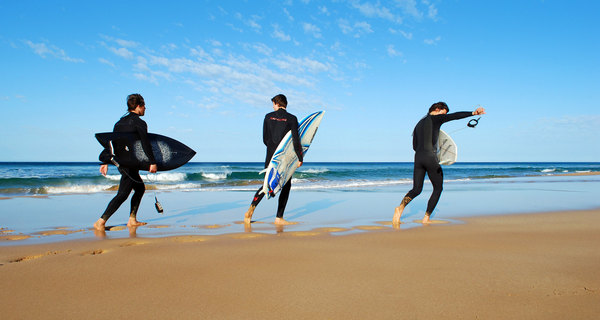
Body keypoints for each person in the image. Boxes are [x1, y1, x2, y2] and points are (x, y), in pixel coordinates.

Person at [393, 102, 485, 225]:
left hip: (418, 158)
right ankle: (426, 218)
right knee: (438, 188)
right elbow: (454, 116)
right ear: (437, 109)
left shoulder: (418, 124)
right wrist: (473, 113)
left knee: (416, 189)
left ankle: (400, 208)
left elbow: (414, 146)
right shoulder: (436, 118)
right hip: (430, 157)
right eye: (444, 113)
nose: (444, 115)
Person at [93, 93, 157, 231]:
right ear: (139, 106)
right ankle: (101, 221)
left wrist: (105, 161)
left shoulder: (119, 123)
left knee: (140, 189)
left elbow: (112, 143)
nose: (145, 109)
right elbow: (145, 144)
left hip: (122, 162)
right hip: (130, 164)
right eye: (144, 106)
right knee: (122, 194)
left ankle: (132, 219)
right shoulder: (140, 123)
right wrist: (152, 162)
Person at [244, 94, 303, 225]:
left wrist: (272, 149)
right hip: (285, 158)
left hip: (271, 157)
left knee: (267, 184)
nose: (272, 106)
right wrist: (300, 158)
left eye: (273, 103)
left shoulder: (267, 116)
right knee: (286, 185)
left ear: (277, 103)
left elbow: (265, 139)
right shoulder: (292, 118)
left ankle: (251, 209)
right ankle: (279, 218)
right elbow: (295, 140)